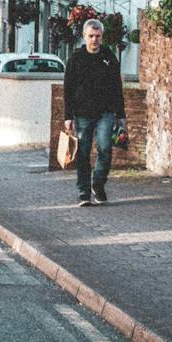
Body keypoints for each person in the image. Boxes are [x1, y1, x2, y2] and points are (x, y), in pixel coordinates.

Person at [62, 18, 125, 206]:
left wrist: (121, 115)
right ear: (84, 36)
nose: (94, 40)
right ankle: (83, 192)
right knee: (83, 153)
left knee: (105, 148)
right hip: (82, 114)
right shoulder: (76, 59)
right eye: (91, 36)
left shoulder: (109, 58)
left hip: (105, 112)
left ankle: (97, 184)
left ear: (102, 37)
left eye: (97, 36)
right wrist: (68, 116)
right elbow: (68, 89)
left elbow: (117, 86)